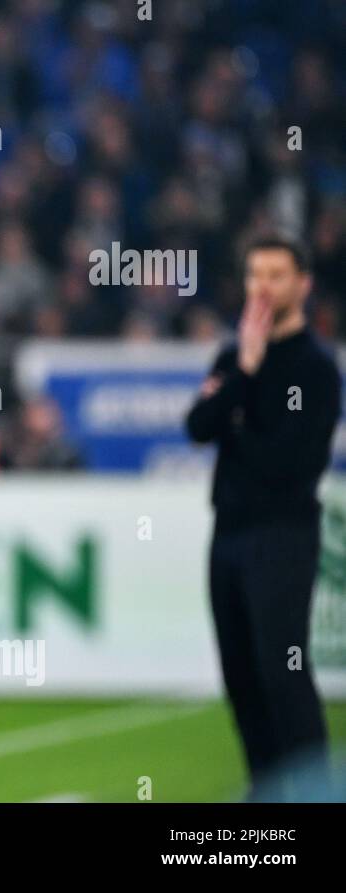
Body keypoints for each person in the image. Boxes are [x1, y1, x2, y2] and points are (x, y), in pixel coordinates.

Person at [185, 233, 341, 801]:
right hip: (227, 532)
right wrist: (245, 377)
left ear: (302, 285)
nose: (264, 287)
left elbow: (289, 464)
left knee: (283, 671)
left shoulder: (317, 368)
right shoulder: (235, 356)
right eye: (255, 275)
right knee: (242, 676)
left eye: (276, 275)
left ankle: (315, 793)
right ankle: (266, 796)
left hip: (283, 535)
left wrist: (238, 411)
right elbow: (198, 426)